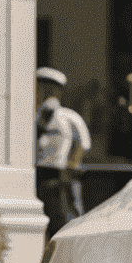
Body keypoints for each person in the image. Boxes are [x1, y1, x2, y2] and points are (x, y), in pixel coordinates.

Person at [35, 66, 91, 236]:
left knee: (64, 217)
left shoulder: (68, 117)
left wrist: (72, 163)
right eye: (41, 87)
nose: (45, 93)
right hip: (37, 172)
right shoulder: (32, 115)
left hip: (59, 175)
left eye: (51, 89)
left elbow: (84, 143)